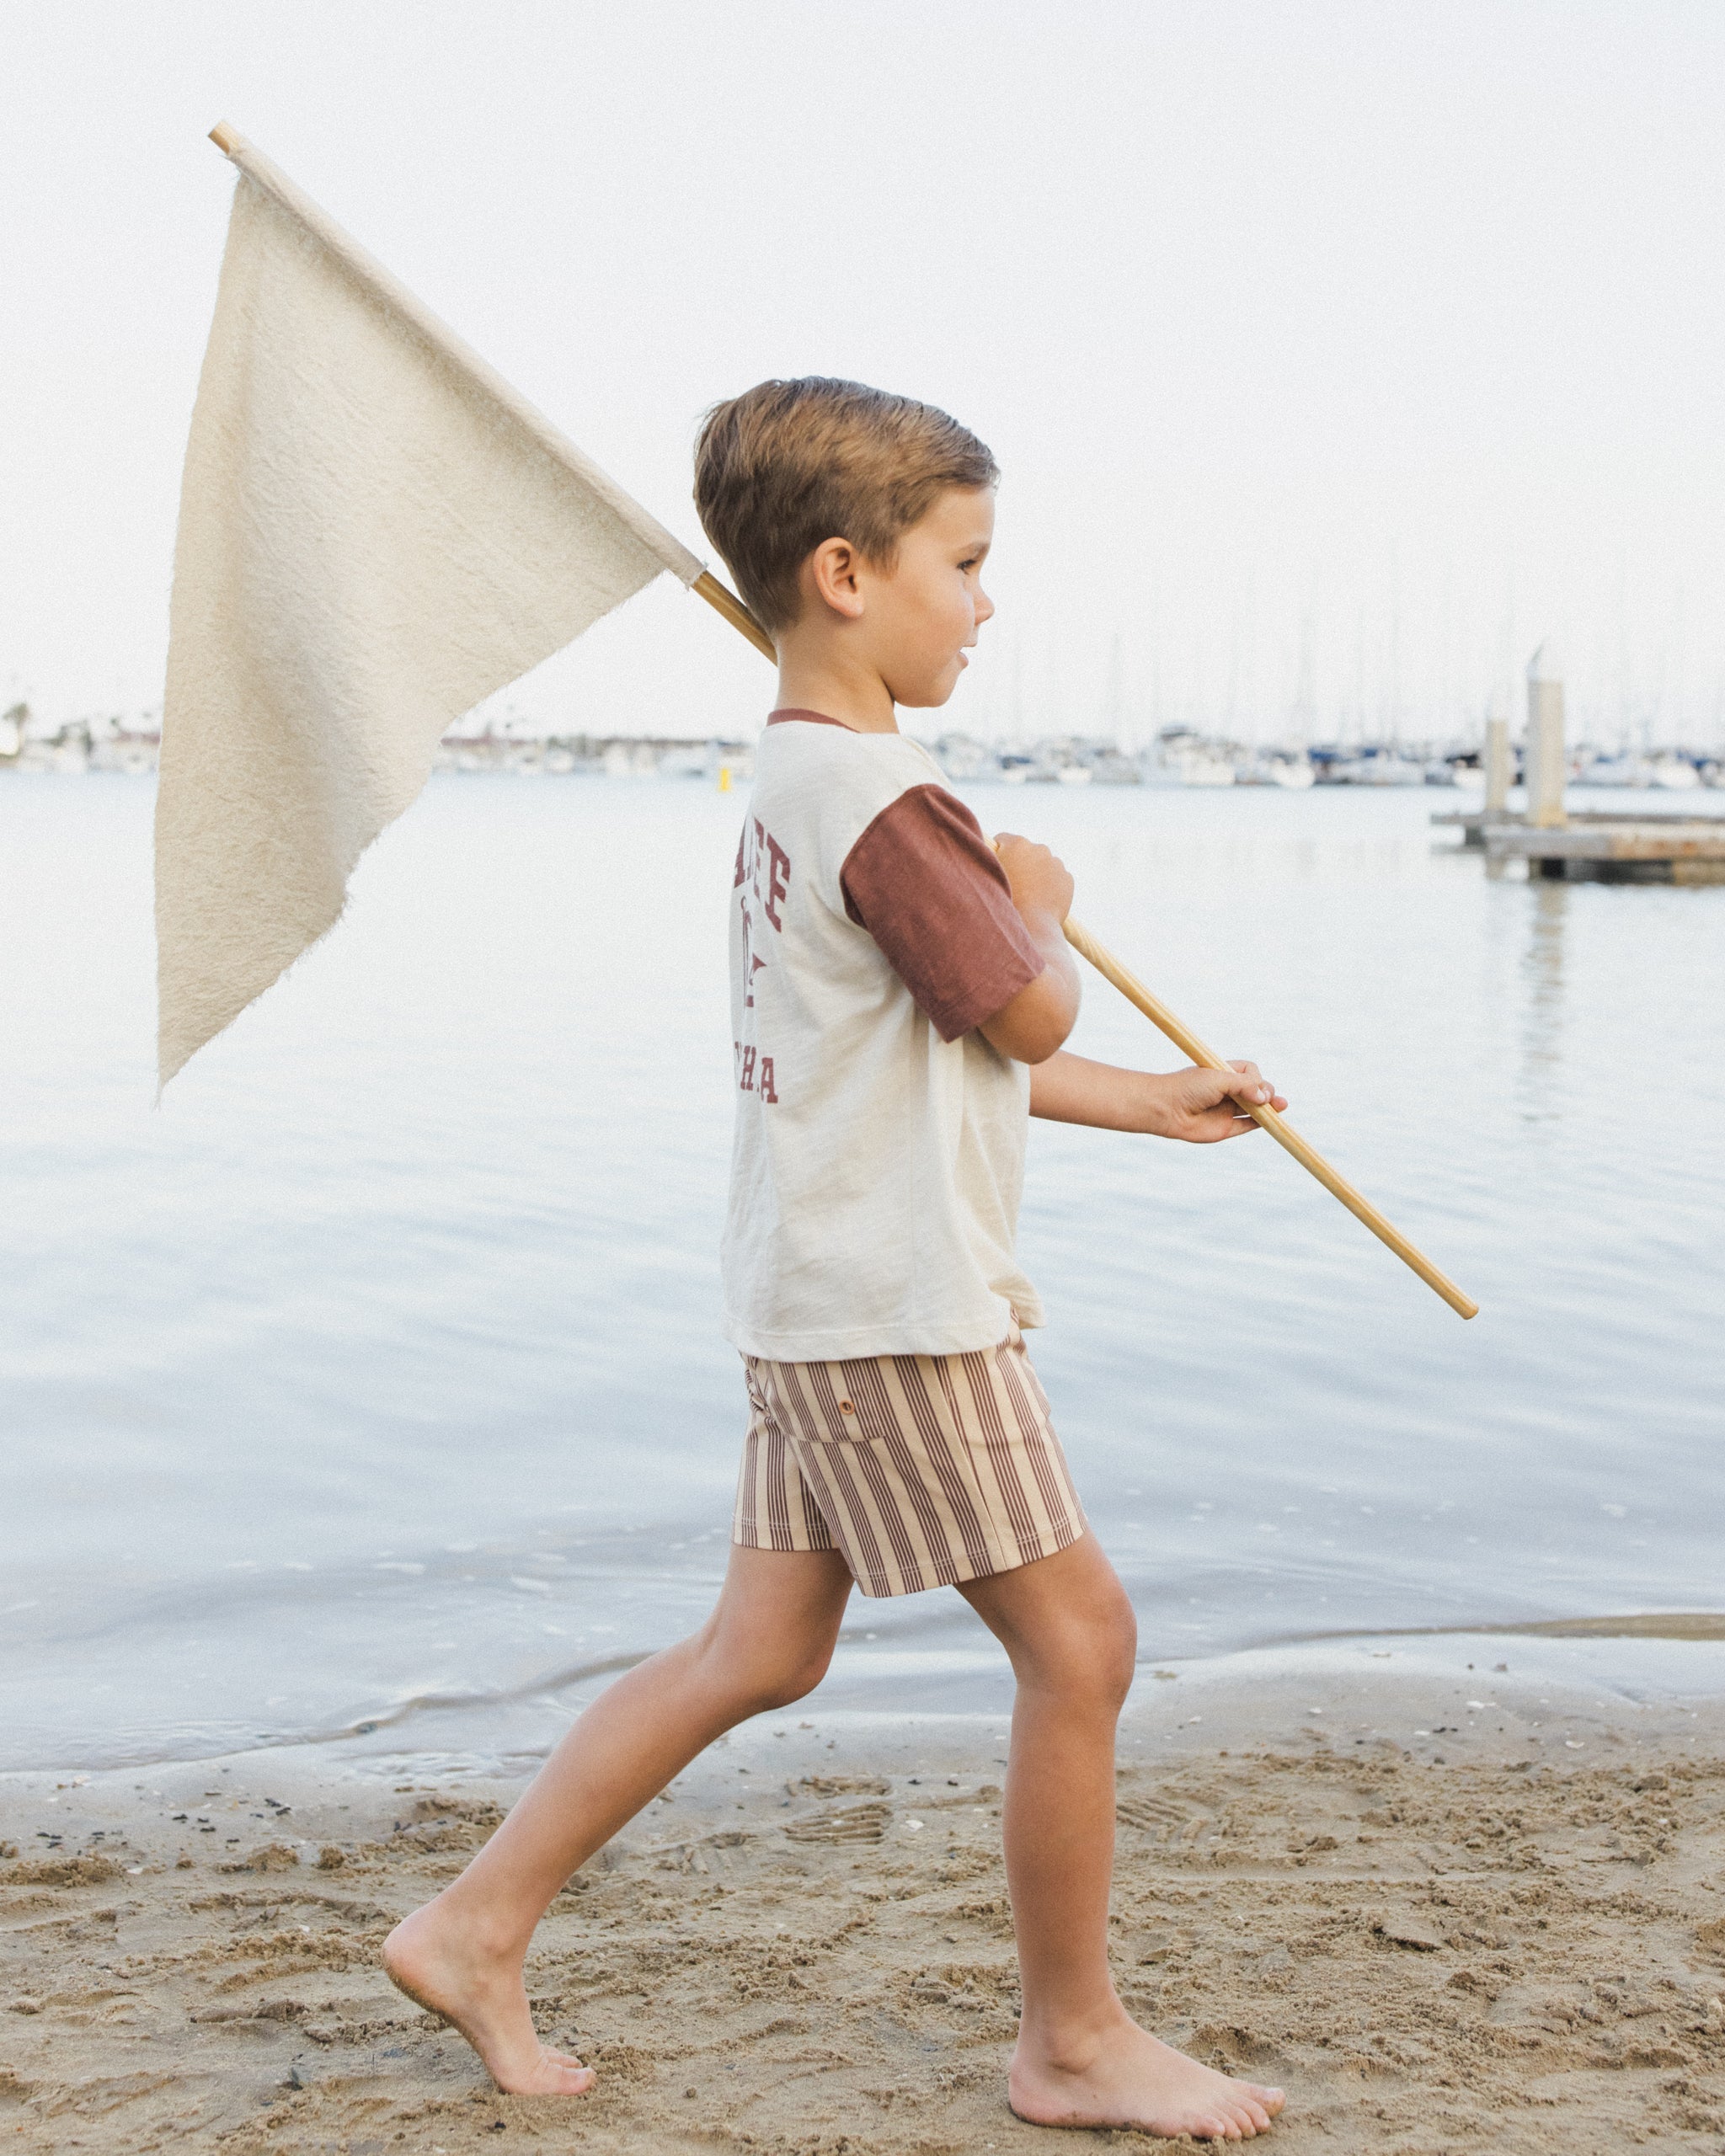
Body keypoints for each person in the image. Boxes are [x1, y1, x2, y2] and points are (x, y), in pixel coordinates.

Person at [386, 377, 1289, 2140]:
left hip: (813, 1289)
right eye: (965, 559)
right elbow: (1021, 989)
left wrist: (1152, 1100)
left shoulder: (796, 779)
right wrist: (1032, 885)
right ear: (845, 574)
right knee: (1082, 1640)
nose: (987, 598)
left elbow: (957, 1045)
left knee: (761, 1644)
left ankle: (472, 1921)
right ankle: (1075, 2041)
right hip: (895, 1305)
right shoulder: (886, 800)